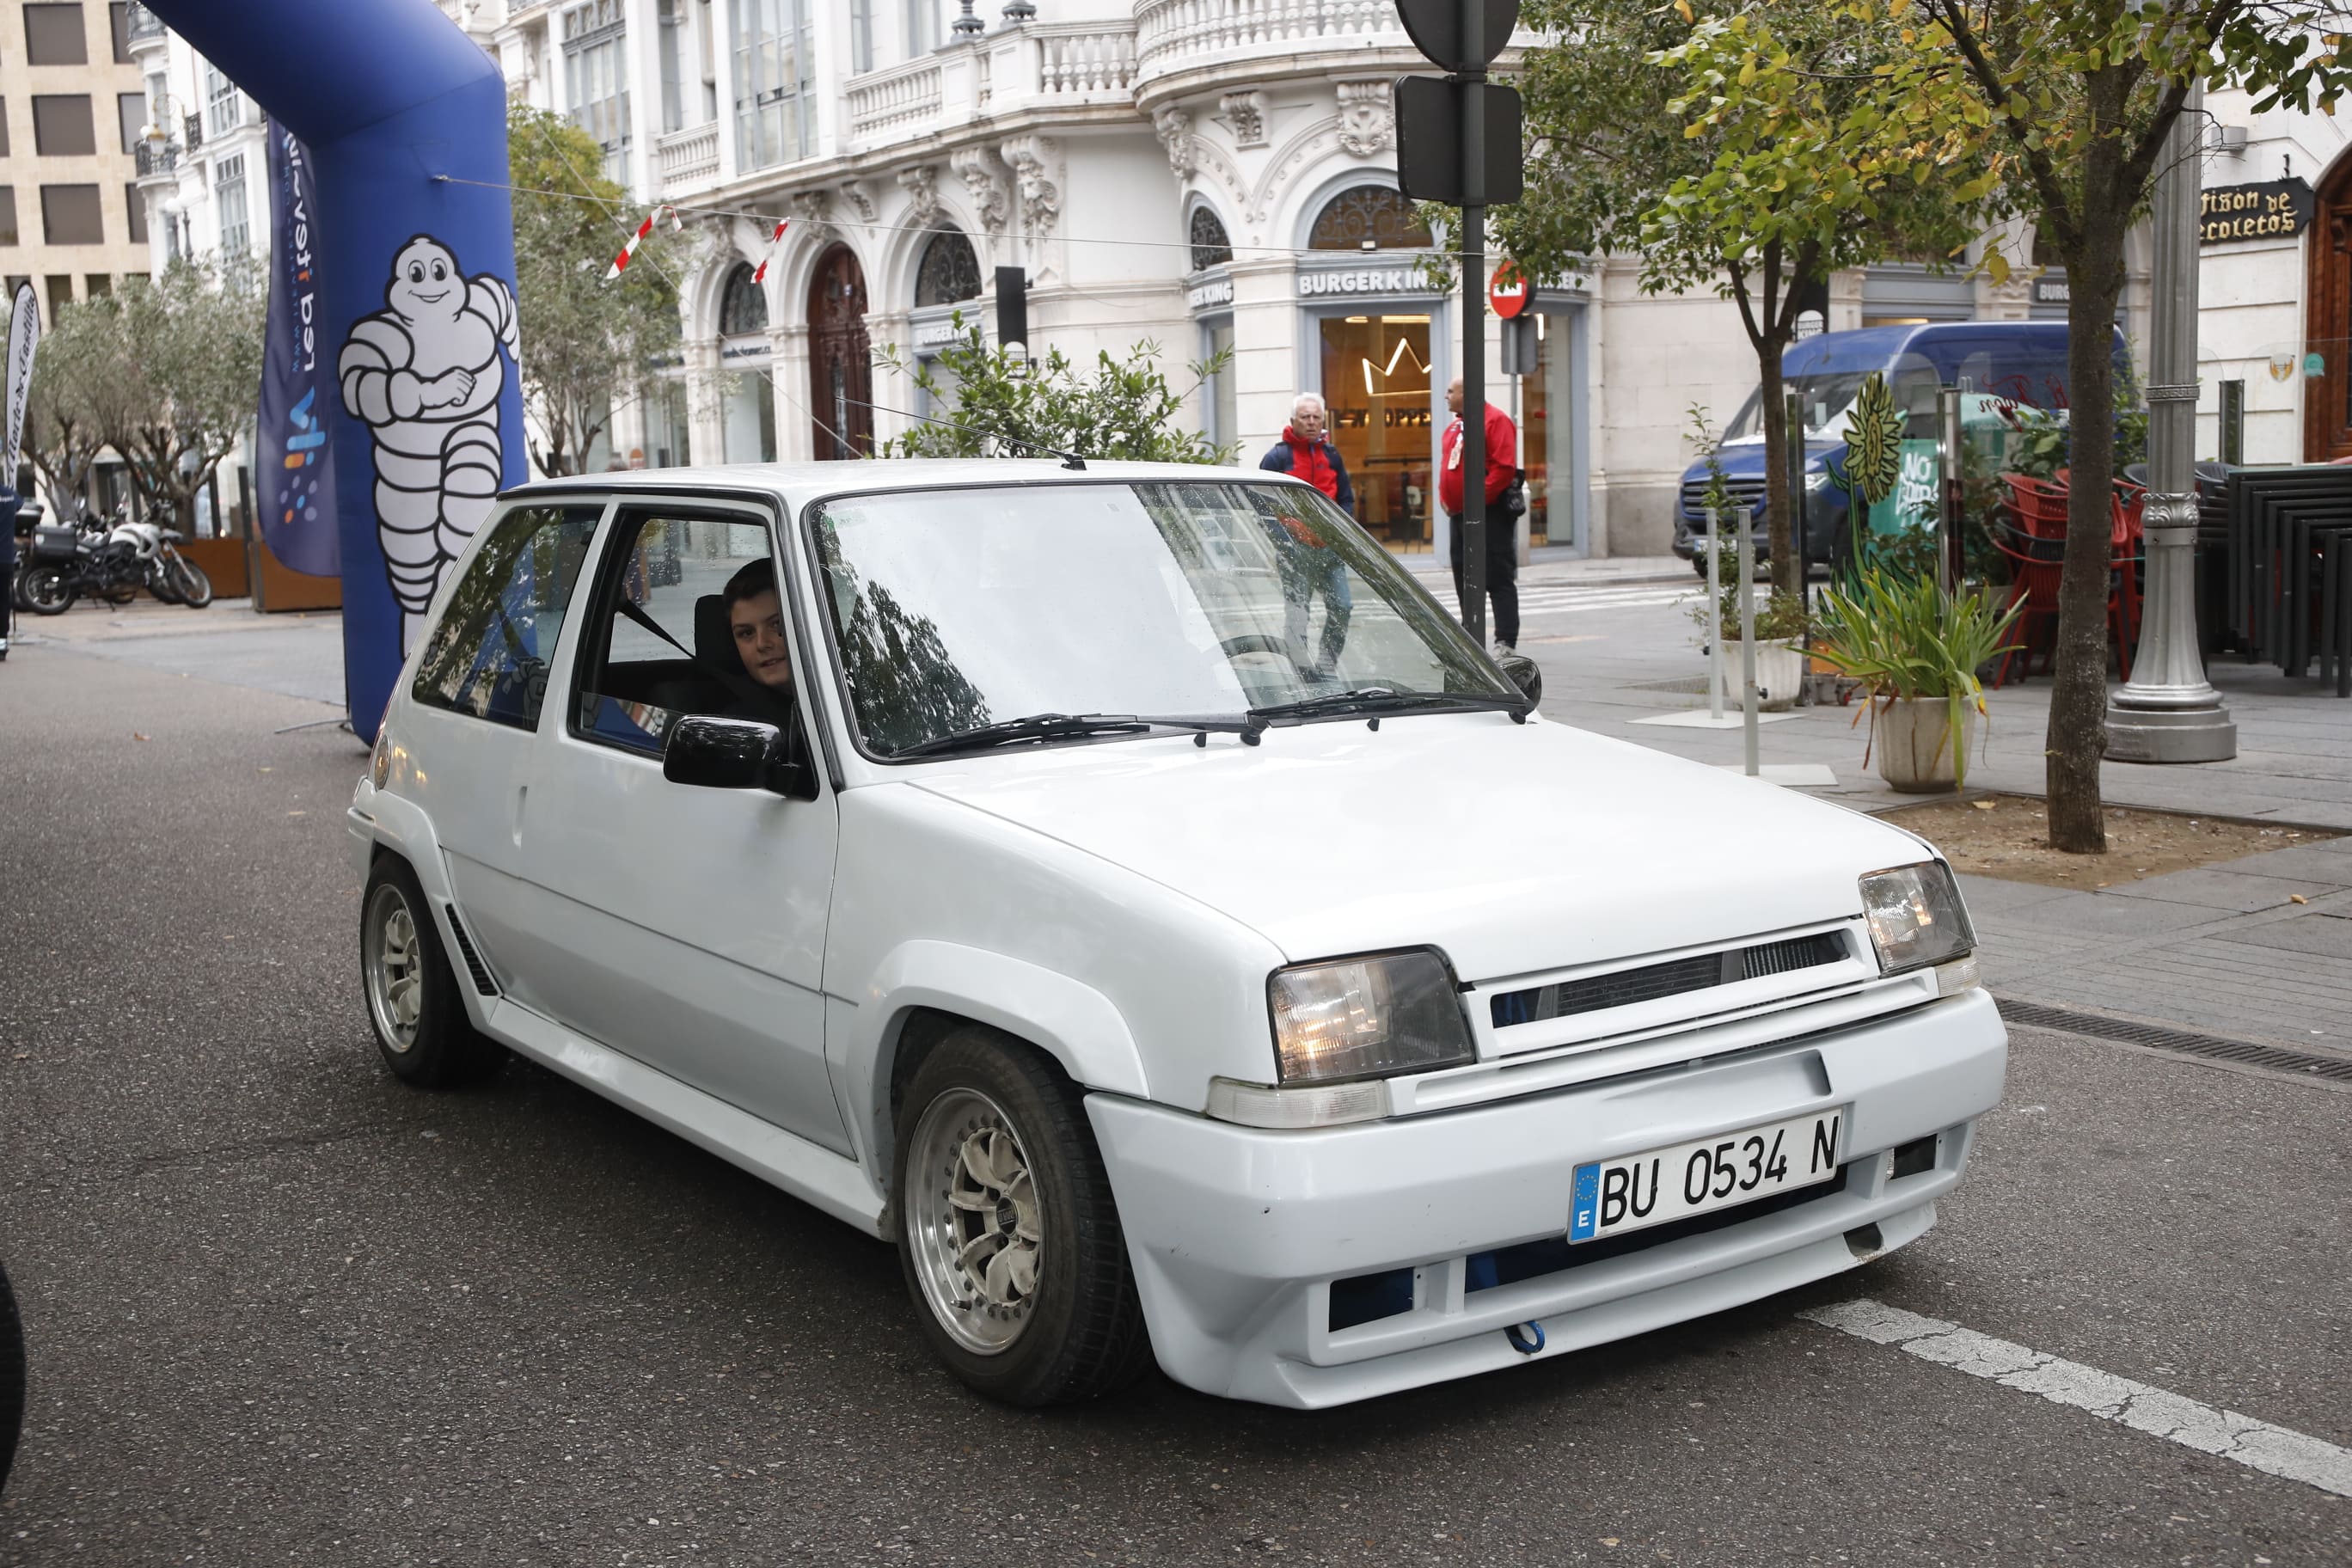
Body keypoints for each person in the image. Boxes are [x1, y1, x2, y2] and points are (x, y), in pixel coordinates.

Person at [1257, 394, 1355, 675]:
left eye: (1316, 417)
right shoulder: (1277, 457)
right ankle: (1301, 671)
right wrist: (1284, 541)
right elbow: (1262, 504)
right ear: (1293, 421)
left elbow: (1346, 499)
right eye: (1305, 417)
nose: (1311, 422)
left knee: (1343, 606)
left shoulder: (1332, 455)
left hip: (1330, 549)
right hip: (1294, 551)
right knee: (1298, 615)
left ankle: (1326, 667)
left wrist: (1341, 532)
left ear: (1323, 421)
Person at [1440, 375, 1521, 652]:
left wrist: (1475, 501)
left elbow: (1503, 468)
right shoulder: (1455, 427)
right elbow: (1447, 468)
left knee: (1497, 576)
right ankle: (1471, 637)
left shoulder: (1495, 420)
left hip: (1490, 514)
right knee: (1463, 572)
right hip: (1459, 514)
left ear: (1467, 393)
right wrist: (1446, 498)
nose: (1446, 396)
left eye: (1451, 391)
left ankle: (1505, 640)